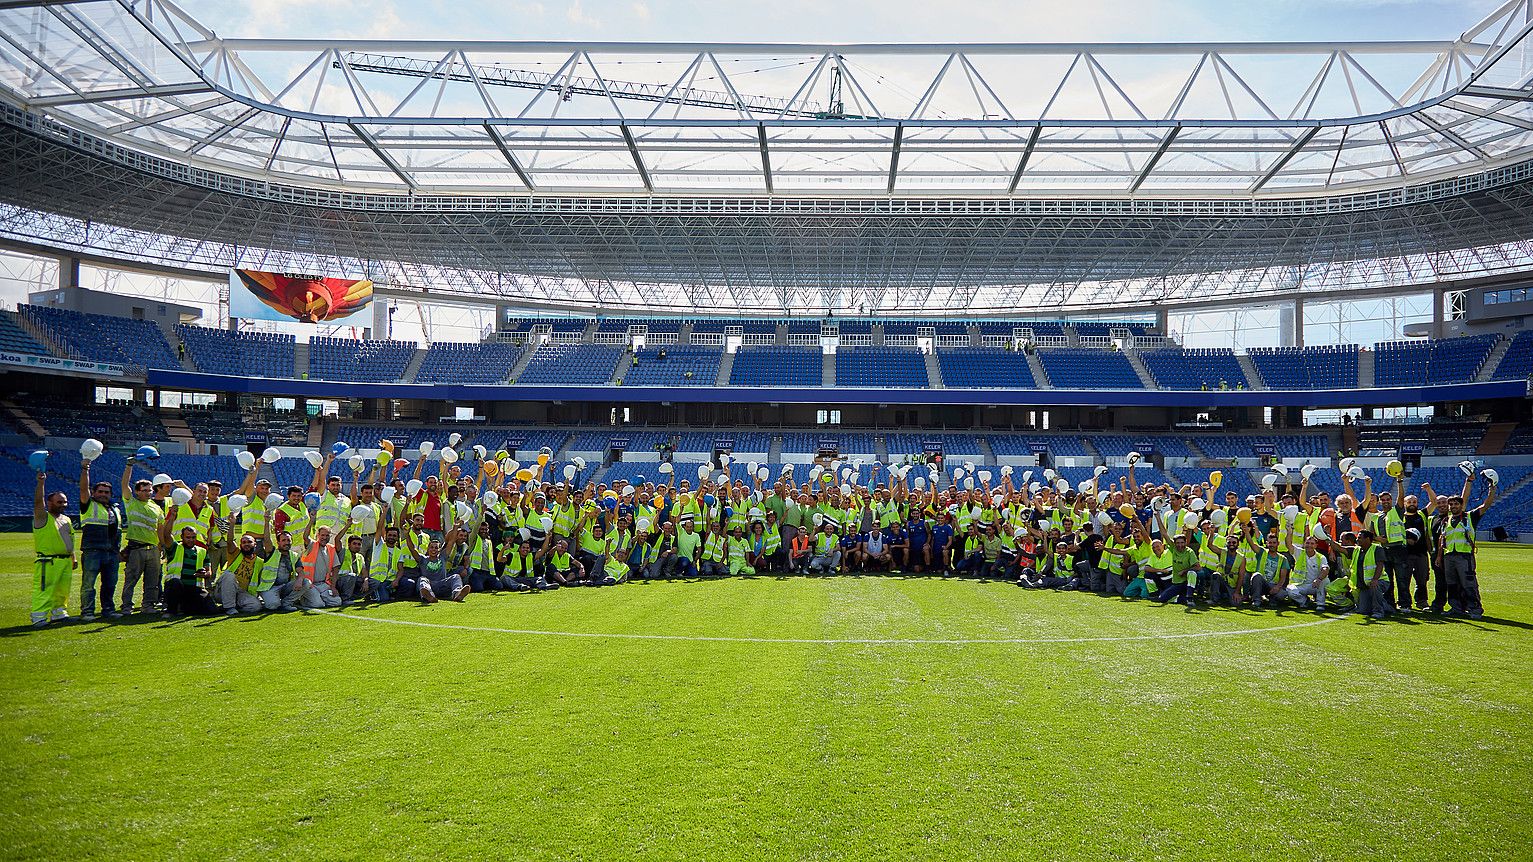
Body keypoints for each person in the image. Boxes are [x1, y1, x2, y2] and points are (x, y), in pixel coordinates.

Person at [1436, 473, 1495, 620]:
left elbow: (1486, 505)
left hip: (1465, 556)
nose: (1453, 506)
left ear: (1461, 505)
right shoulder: (1445, 521)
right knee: (1452, 584)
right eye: (1452, 504)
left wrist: (1492, 489)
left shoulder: (1470, 517)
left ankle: (1475, 609)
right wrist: (1439, 557)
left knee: (1469, 584)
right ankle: (1456, 608)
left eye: (1456, 504)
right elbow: (1442, 539)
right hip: (1448, 556)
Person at [78, 458, 121, 621]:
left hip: (111, 552)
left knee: (110, 584)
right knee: (89, 584)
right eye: (100, 492)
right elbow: (83, 489)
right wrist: (85, 470)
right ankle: (87, 612)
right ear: (94, 493)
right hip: (93, 550)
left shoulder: (114, 509)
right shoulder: (88, 505)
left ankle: (108, 610)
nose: (103, 494)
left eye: (106, 492)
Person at [119, 459, 165, 615]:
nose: (148, 492)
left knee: (152, 580)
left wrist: (162, 546)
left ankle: (148, 605)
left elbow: (160, 529)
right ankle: (126, 606)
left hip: (153, 549)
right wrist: (129, 466)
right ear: (137, 491)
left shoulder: (156, 508)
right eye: (144, 490)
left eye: (149, 490)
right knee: (131, 579)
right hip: (136, 548)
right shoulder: (131, 502)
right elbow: (124, 484)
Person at [30, 470, 75, 628]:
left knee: (62, 590)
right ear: (49, 503)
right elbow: (37, 502)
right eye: (59, 502)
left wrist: (73, 557)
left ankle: (59, 613)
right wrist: (41, 483)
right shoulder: (42, 517)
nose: (62, 505)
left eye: (64, 502)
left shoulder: (66, 519)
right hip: (48, 561)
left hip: (65, 561)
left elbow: (70, 539)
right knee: (44, 589)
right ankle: (38, 617)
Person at [162, 526, 217, 617]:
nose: (191, 540)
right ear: (181, 537)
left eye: (193, 537)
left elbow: (209, 572)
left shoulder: (202, 551)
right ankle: (170, 610)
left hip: (195, 587)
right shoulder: (175, 547)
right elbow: (166, 535)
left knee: (211, 610)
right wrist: (172, 516)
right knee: (175, 583)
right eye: (188, 537)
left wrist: (204, 574)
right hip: (177, 586)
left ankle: (184, 607)